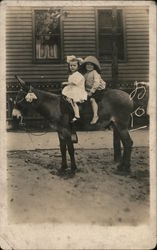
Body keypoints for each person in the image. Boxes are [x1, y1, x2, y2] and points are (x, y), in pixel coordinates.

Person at [81, 56, 106, 124]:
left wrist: (92, 91)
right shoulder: (85, 74)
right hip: (88, 90)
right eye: (87, 64)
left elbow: (96, 83)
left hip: (98, 89)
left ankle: (95, 115)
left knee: (92, 99)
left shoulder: (95, 72)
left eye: (91, 65)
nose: (89, 66)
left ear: (94, 66)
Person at [62, 55, 87, 122]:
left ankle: (77, 115)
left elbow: (74, 83)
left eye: (74, 65)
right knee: (66, 99)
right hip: (72, 89)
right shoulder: (72, 74)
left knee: (73, 100)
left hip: (78, 90)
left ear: (78, 66)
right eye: (71, 66)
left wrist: (66, 83)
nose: (72, 67)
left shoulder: (78, 74)